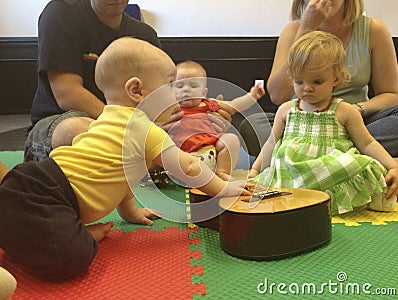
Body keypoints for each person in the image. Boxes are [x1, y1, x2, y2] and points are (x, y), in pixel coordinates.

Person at [0, 37, 250, 281]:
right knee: (73, 258)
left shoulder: (109, 119)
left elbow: (121, 172)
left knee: (14, 222)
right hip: (47, 194)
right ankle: (70, 236)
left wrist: (130, 211)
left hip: (34, 184)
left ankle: (21, 234)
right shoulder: (142, 128)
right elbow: (188, 166)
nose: (177, 94)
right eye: (170, 85)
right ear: (137, 90)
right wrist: (224, 188)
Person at [249, 31, 398, 216]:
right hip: (292, 171)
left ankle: (379, 191)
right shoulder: (286, 109)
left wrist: (393, 166)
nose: (307, 88)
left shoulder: (344, 110)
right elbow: (271, 143)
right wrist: (255, 169)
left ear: (336, 78)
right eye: (299, 81)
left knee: (364, 164)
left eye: (317, 81)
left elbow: (367, 143)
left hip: (329, 169)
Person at [240, 0, 398, 161]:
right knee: (252, 127)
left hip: (355, 123)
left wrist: (356, 110)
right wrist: (306, 28)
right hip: (302, 124)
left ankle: (308, 153)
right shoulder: (293, 30)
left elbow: (391, 94)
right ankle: (351, 154)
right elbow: (277, 96)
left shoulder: (374, 30)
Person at [24, 0, 161, 162]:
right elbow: (68, 94)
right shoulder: (61, 13)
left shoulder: (145, 35)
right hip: (59, 123)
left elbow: (157, 96)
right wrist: (127, 128)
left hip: (130, 130)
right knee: (78, 129)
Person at [168, 60, 265, 180]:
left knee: (231, 139)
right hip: (180, 151)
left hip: (209, 149)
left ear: (204, 92)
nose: (185, 90)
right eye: (179, 86)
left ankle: (222, 172)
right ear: (171, 90)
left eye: (193, 85)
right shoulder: (171, 108)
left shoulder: (209, 104)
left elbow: (234, 106)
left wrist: (252, 96)